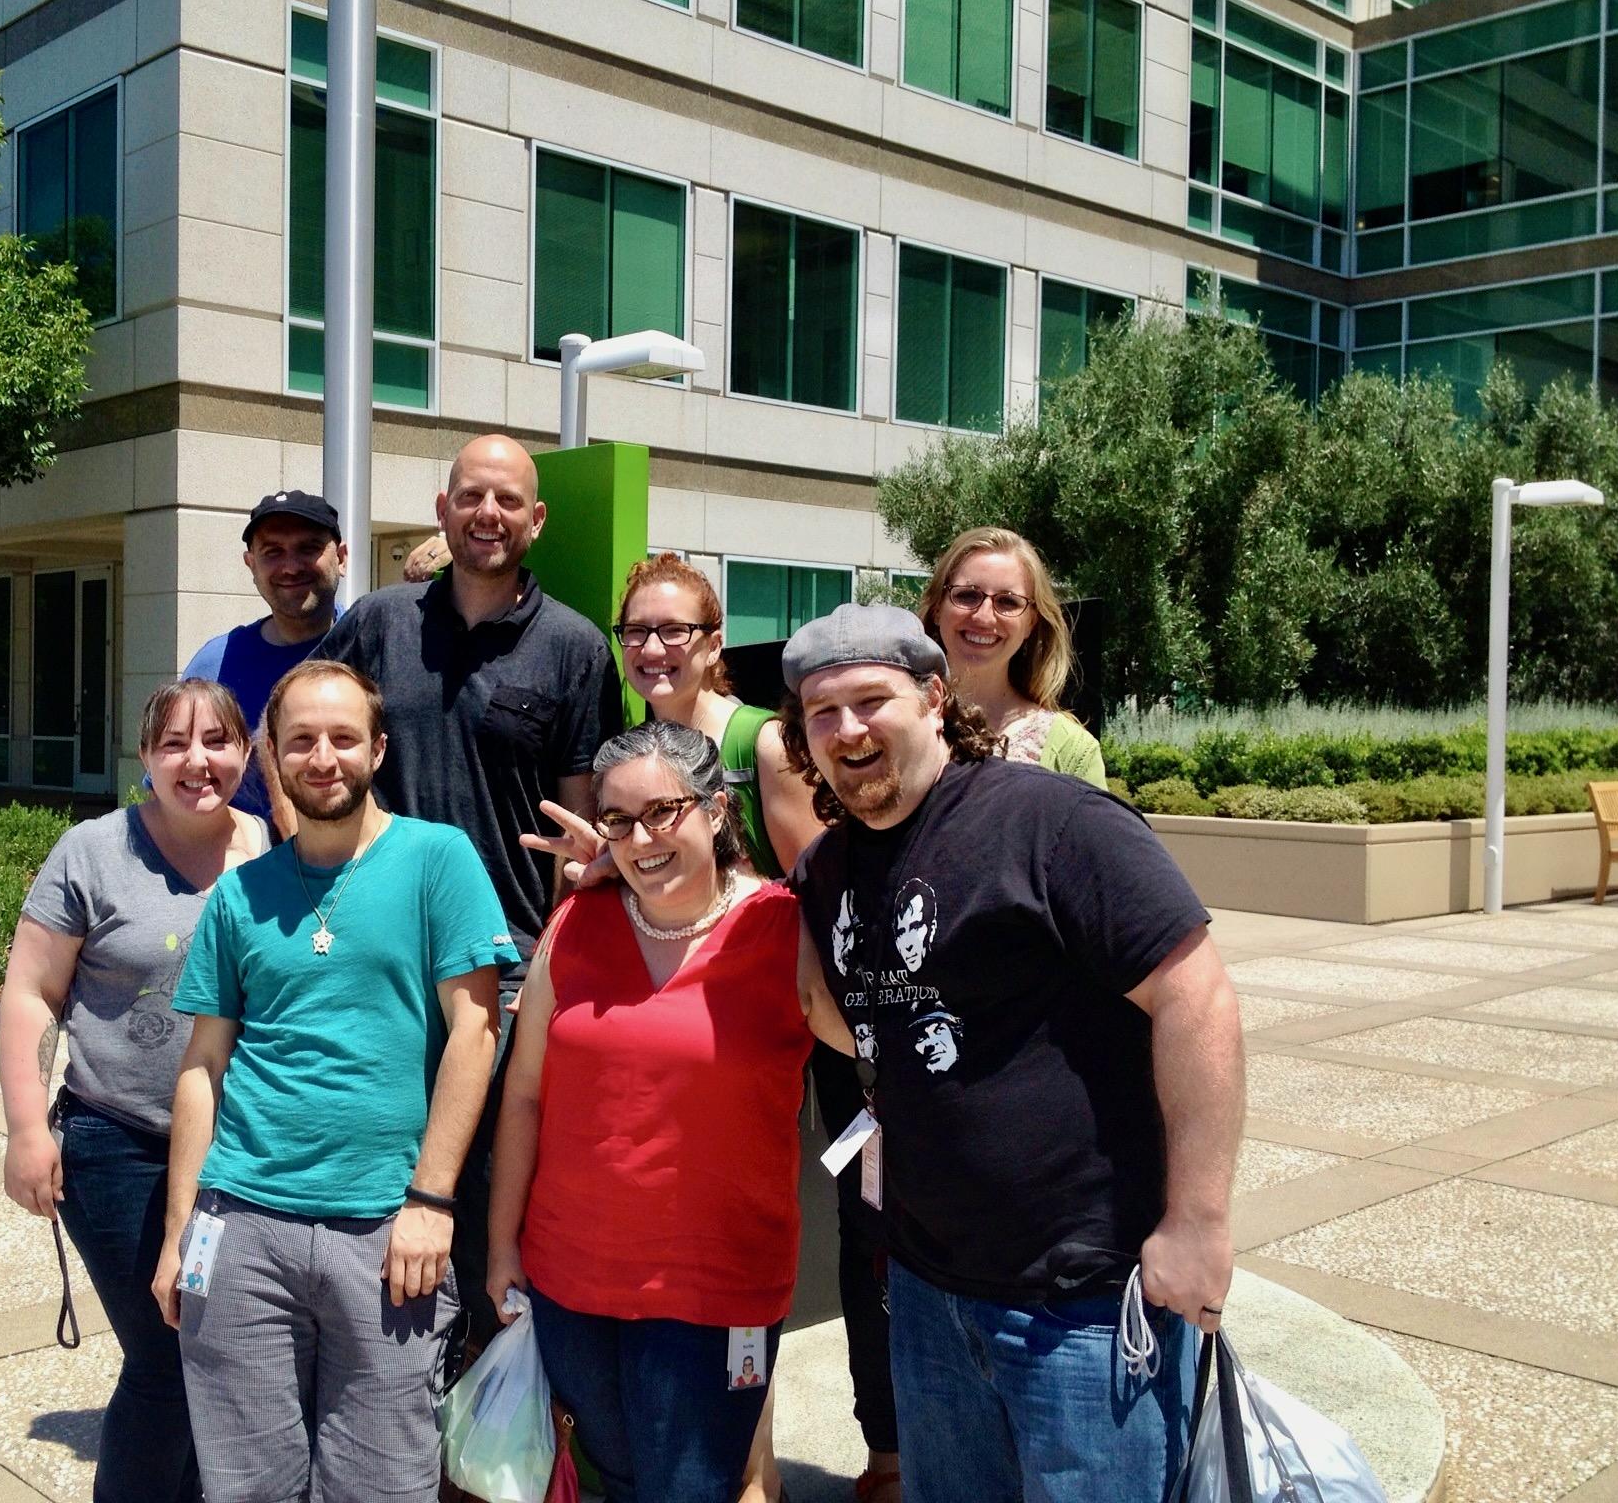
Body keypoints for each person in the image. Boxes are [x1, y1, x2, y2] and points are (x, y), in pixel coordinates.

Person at [777, 602, 1244, 1503]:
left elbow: (1198, 996)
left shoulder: (1052, 823)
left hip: (1084, 1304)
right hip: (926, 1291)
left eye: (871, 701)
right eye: (821, 714)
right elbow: (832, 1011)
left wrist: (1197, 1223)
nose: (847, 730)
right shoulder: (830, 867)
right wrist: (635, 868)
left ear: (934, 698)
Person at [151, 659, 519, 1503]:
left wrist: (431, 1201)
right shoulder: (241, 895)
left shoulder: (438, 860)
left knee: (384, 1486)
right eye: (302, 741)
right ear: (272, 756)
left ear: (378, 749)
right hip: (238, 1226)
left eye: (344, 738)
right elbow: (203, 1067)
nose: (324, 757)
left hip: (387, 1233)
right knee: (246, 1488)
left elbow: (476, 1030)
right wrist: (180, 1232)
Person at [488, 721, 853, 1503]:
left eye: (663, 812)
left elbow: (872, 1040)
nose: (641, 838)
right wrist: (500, 1246)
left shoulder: (781, 926)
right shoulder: (577, 922)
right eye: (618, 820)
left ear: (717, 810)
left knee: (691, 1488)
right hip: (569, 1280)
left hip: (715, 1289)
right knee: (616, 1484)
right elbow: (523, 1093)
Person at [315, 431, 623, 1333]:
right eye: (471, 496)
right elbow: (291, 725)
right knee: (375, 1164)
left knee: (487, 1191)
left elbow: (579, 827)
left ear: (537, 519)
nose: (488, 514)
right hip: (379, 951)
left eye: (507, 500)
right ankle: (378, 1365)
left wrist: (556, 963)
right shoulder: (380, 620)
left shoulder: (573, 647)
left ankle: (478, 1426)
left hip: (506, 971)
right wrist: (307, 866)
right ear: (444, 509)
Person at [0, 677, 270, 1503]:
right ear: (145, 756)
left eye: (217, 741)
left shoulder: (265, 843)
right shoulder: (94, 852)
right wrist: (25, 1129)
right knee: (167, 1355)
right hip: (116, 1144)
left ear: (245, 754)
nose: (199, 761)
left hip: (234, 1152)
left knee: (215, 1352)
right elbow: (31, 993)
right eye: (176, 743)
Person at [614, 553, 819, 878]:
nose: (651, 649)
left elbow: (818, 892)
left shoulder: (765, 745)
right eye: (636, 631)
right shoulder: (631, 756)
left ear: (714, 646)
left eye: (675, 630)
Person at [181, 489, 347, 822]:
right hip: (244, 870)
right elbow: (170, 790)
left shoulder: (373, 644)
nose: (290, 566)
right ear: (251, 564)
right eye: (273, 552)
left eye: (308, 548)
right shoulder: (215, 665)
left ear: (341, 558)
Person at [916, 526, 1104, 784]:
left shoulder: (1072, 751)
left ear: (1031, 623)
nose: (983, 616)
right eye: (967, 595)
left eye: (1007, 602)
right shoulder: (886, 717)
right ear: (938, 608)